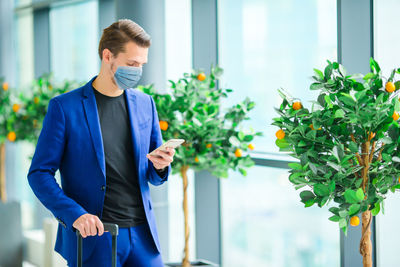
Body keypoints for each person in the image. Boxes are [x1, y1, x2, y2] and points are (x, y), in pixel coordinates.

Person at [27, 19, 174, 267]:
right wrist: (75, 215)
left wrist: (160, 165)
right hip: (94, 236)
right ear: (108, 56)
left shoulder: (146, 103)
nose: (138, 70)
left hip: (143, 236)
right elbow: (39, 173)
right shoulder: (64, 108)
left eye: (141, 64)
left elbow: (153, 174)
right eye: (132, 63)